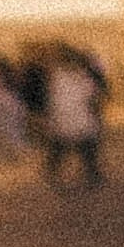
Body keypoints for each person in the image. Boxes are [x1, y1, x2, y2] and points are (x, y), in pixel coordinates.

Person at [43, 47, 105, 187]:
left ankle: (91, 174)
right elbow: (93, 96)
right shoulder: (73, 77)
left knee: (79, 146)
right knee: (71, 146)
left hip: (74, 118)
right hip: (72, 118)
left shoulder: (64, 77)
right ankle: (90, 174)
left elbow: (92, 96)